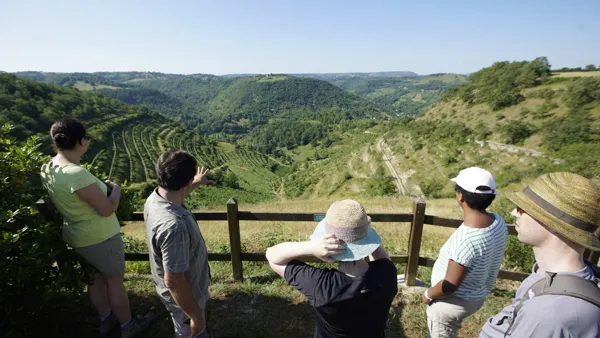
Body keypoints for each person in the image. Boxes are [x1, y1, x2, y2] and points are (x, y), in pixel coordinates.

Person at [40, 118, 154, 337]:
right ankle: (128, 326)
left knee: (95, 280)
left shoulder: (49, 167)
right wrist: (116, 190)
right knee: (115, 282)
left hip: (76, 236)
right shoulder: (76, 174)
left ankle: (106, 320)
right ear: (81, 141)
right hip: (100, 237)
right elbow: (107, 209)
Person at [480, 172, 600, 337]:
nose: (514, 213)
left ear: (552, 224)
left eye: (523, 208)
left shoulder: (547, 315)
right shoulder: (548, 276)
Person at [266, 199, 398, 338]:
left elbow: (272, 256)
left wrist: (311, 247)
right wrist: (365, 232)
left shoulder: (320, 286)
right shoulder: (387, 274)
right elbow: (380, 258)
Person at [423, 167, 508, 338]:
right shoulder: (498, 222)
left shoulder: (466, 240)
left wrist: (428, 294)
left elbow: (450, 285)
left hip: (449, 304)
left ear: (460, 196)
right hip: (476, 294)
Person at [144, 150, 214, 338]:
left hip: (183, 292)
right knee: (190, 332)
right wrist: (196, 317)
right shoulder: (174, 227)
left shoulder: (155, 198)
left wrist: (195, 182)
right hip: (186, 297)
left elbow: (178, 194)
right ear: (186, 182)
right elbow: (174, 281)